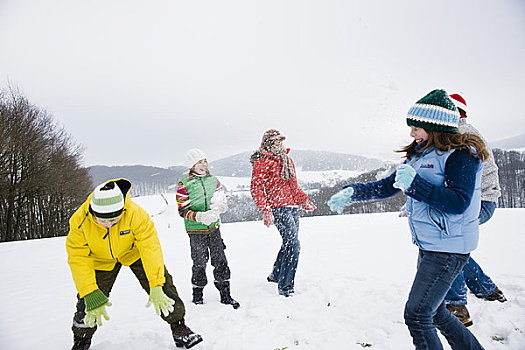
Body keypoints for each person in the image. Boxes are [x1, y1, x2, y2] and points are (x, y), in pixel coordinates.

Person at [328, 89, 487, 349]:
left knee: (417, 314)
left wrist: (416, 186)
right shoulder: (420, 152)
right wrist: (354, 192)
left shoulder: (461, 155)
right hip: (431, 244)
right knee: (434, 312)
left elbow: (458, 203)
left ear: (435, 127)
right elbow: (390, 186)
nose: (412, 133)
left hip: (449, 248)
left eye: (416, 127)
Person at [66, 179, 203, 350]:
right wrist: (89, 291)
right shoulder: (80, 220)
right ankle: (81, 339)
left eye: (113, 220)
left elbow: (150, 249)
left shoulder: (135, 214)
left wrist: (156, 284)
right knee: (88, 301)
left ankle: (179, 327)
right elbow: (78, 257)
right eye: (102, 221)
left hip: (133, 252)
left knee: (164, 286)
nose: (108, 225)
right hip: (99, 259)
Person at [444, 93, 507, 327]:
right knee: (454, 243)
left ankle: (456, 306)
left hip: (479, 203)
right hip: (483, 201)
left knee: (449, 243)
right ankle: (487, 290)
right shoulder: (463, 130)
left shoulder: (459, 135)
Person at [250, 129, 316, 297]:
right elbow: (256, 188)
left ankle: (276, 274)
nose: (278, 143)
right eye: (274, 140)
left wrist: (303, 200)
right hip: (279, 208)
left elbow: (293, 186)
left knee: (289, 243)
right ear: (267, 143)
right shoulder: (262, 161)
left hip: (293, 208)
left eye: (280, 140)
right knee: (294, 245)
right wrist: (266, 210)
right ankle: (286, 287)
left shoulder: (286, 159)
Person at [176, 149, 240, 309]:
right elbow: (182, 210)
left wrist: (221, 205)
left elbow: (220, 197)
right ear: (192, 166)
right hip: (196, 231)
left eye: (205, 161)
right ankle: (197, 295)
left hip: (214, 228)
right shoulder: (184, 184)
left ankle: (225, 295)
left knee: (220, 260)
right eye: (199, 162)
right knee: (199, 262)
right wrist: (198, 216)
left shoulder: (213, 180)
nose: (203, 164)